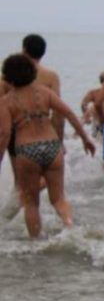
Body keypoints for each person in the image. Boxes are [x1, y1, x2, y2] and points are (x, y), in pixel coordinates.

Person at [0, 54, 95, 238]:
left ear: (9, 77)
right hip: (52, 146)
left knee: (31, 203)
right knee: (58, 198)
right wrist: (85, 139)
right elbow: (69, 113)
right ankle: (70, 228)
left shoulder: (6, 101)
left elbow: (4, 134)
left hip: (27, 151)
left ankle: (36, 243)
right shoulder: (44, 92)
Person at [1, 34, 64, 220]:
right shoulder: (51, 77)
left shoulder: (8, 76)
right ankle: (15, 217)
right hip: (47, 136)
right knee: (53, 188)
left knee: (19, 185)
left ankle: (6, 219)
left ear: (23, 50)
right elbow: (59, 113)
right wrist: (59, 139)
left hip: (17, 136)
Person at [81, 72, 104, 139]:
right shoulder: (95, 93)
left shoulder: (95, 93)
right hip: (102, 123)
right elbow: (84, 104)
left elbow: (83, 104)